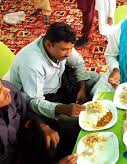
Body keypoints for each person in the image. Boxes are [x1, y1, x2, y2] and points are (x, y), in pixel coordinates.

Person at [7, 22, 100, 159]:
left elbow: (79, 63)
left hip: (59, 84)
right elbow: (34, 102)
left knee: (95, 77)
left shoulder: (62, 45)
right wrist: (64, 109)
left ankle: (84, 105)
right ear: (49, 44)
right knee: (77, 122)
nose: (68, 54)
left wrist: (82, 89)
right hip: (38, 100)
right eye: (64, 50)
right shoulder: (32, 63)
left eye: (70, 49)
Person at [0, 80, 77, 164]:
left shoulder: (9, 90)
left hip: (29, 142)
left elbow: (27, 112)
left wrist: (43, 126)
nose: (7, 90)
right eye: (0, 91)